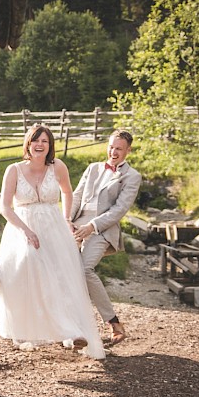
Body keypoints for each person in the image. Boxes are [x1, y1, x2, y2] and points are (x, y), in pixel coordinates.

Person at [0, 124, 105, 359]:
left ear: (50, 145)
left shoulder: (58, 167)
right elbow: (4, 207)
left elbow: (67, 192)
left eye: (44, 141)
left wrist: (66, 217)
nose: (40, 145)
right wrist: (25, 231)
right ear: (28, 144)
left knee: (63, 276)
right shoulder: (13, 170)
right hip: (22, 227)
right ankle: (38, 327)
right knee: (30, 264)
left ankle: (72, 332)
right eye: (36, 140)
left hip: (54, 227)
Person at [69, 129, 142, 345]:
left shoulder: (132, 176)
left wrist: (91, 226)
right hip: (76, 223)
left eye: (119, 148)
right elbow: (76, 196)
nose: (113, 152)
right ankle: (70, 327)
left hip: (102, 229)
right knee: (63, 269)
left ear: (128, 150)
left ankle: (113, 322)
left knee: (84, 269)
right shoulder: (92, 168)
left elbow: (119, 211)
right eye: (111, 147)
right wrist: (66, 221)